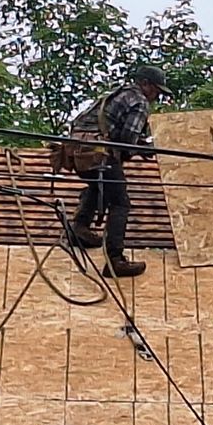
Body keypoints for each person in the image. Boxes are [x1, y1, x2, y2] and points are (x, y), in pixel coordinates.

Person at [65, 65, 166, 278]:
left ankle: (79, 229)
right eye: (156, 90)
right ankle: (115, 260)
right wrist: (145, 149)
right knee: (120, 202)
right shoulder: (139, 101)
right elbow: (127, 141)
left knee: (98, 183)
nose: (156, 96)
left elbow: (93, 124)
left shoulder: (115, 94)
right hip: (98, 153)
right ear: (145, 84)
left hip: (77, 151)